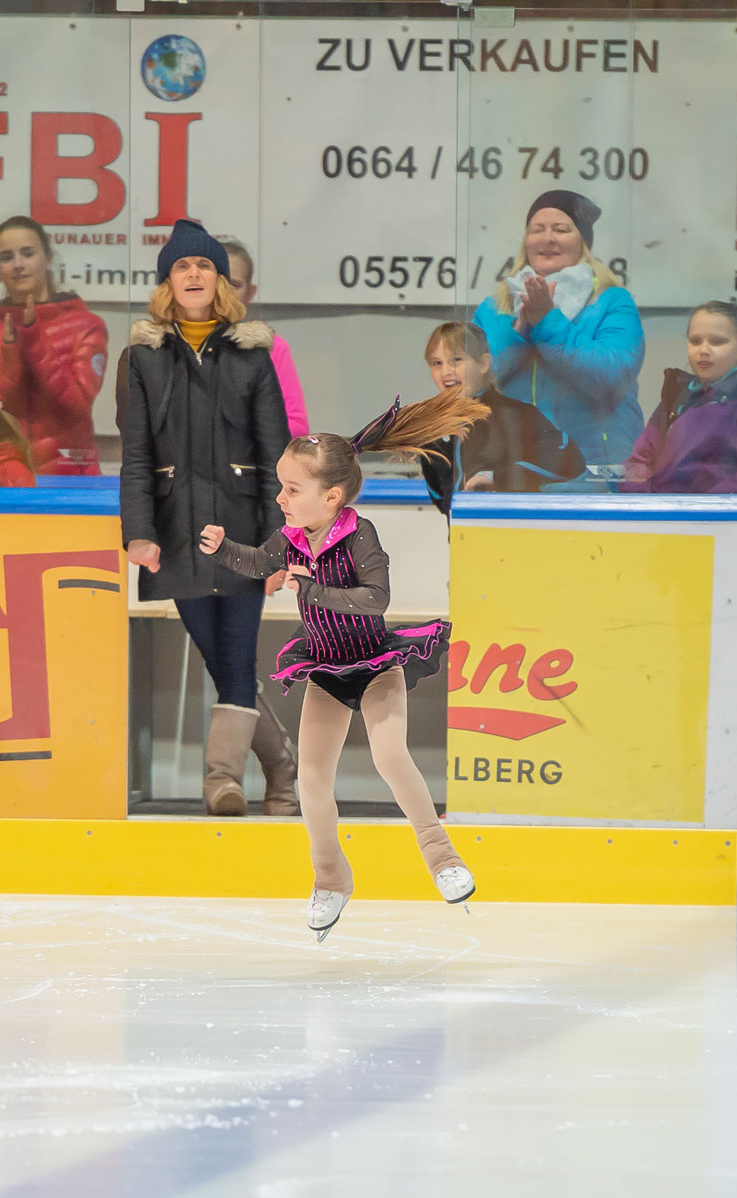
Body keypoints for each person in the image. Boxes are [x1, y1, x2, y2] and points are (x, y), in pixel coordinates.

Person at [196, 393, 490, 940]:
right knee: (311, 780)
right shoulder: (289, 538)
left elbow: (376, 599)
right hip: (326, 671)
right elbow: (257, 561)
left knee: (390, 754)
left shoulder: (359, 535)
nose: (280, 498)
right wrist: (222, 549)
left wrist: (312, 588)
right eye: (281, 486)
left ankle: (441, 855)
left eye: (292, 489)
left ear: (331, 497)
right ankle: (331, 878)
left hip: (376, 665)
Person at [119, 220, 296, 817]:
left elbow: (278, 461)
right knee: (221, 661)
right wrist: (139, 533)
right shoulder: (141, 359)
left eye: (204, 266)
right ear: (167, 283)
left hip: (244, 535)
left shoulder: (252, 357)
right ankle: (282, 766)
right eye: (182, 266)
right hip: (177, 535)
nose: (193, 274)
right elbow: (137, 454)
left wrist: (279, 546)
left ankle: (221, 781)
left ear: (220, 282)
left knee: (237, 657)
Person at [472, 190, 645, 469]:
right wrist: (518, 332)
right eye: (537, 230)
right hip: (513, 468)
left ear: (583, 242)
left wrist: (548, 322)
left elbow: (612, 379)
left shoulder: (612, 301)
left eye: (561, 230)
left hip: (593, 469)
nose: (547, 238)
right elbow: (472, 384)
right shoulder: (492, 309)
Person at [0, 216, 109, 474]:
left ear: (47, 258)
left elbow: (77, 407)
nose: (18, 264)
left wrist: (34, 339)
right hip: (3, 480)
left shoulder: (86, 326)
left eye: (28, 254)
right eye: (7, 257)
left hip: (72, 481)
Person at [417, 321, 585, 514]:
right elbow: (441, 498)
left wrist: (497, 477)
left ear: (483, 364)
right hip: (463, 532)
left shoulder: (515, 414)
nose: (446, 372)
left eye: (456, 360)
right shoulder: (433, 430)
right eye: (437, 363)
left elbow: (571, 460)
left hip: (514, 529)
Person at [621, 302, 737, 494]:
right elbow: (638, 462)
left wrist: (695, 504)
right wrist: (648, 499)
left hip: (716, 512)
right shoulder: (677, 396)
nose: (703, 350)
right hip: (661, 509)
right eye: (695, 341)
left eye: (717, 341)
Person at [222, 239, 310, 437]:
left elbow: (298, 426)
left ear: (250, 293)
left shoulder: (272, 347)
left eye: (234, 284)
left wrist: (241, 427)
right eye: (218, 282)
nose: (224, 292)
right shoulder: (179, 344)